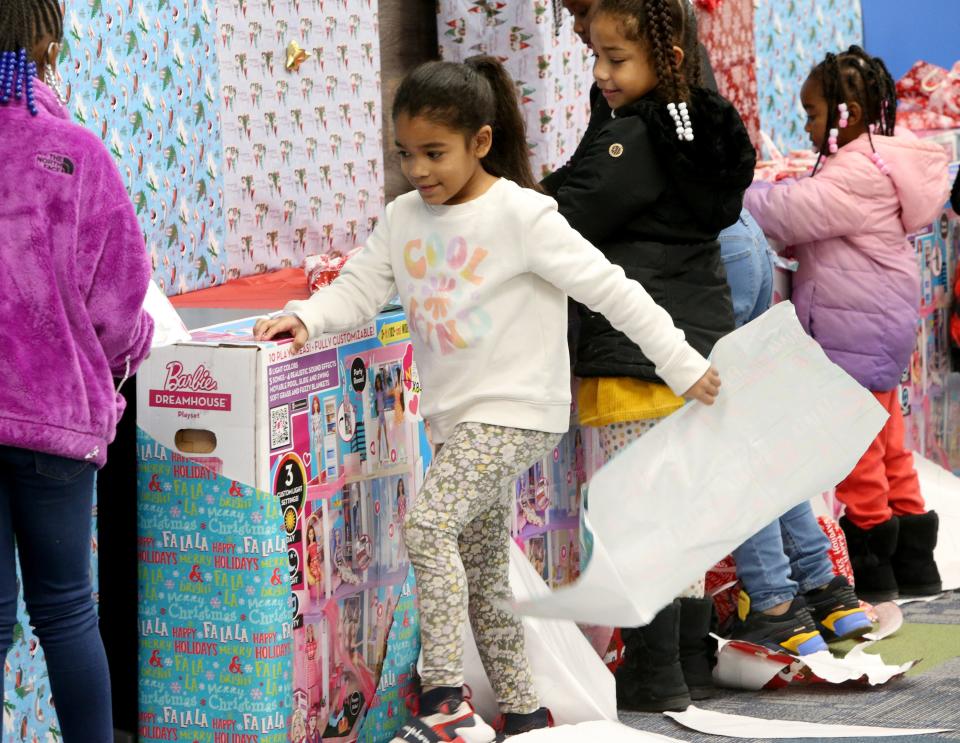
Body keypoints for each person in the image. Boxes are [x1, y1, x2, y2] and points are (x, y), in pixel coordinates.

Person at [255, 55, 720, 741]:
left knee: (428, 526)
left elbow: (613, 289)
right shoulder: (403, 218)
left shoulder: (525, 216)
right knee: (481, 567)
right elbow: (357, 290)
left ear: (480, 140)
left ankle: (445, 696)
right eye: (406, 154)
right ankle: (527, 709)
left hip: (518, 411)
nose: (419, 170)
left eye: (435, 153)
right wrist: (307, 315)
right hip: (456, 418)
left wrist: (681, 365)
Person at [544, 0, 754, 713]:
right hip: (693, 351)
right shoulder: (693, 126)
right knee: (681, 514)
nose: (600, 74)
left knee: (643, 518)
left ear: (662, 60)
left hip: (641, 363)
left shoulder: (634, 138)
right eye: (595, 58)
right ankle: (684, 660)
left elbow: (566, 216)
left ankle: (653, 668)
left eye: (615, 60)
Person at [0, 2, 154, 741]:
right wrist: (116, 365)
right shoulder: (73, 153)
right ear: (44, 44)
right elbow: (120, 306)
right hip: (54, 419)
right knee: (66, 609)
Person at [745, 46, 949, 602]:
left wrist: (736, 195)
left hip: (854, 326)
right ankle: (916, 564)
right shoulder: (877, 160)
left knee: (856, 448)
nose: (806, 127)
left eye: (812, 113)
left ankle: (873, 568)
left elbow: (791, 211)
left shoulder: (854, 171)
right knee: (888, 442)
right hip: (880, 320)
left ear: (846, 115)